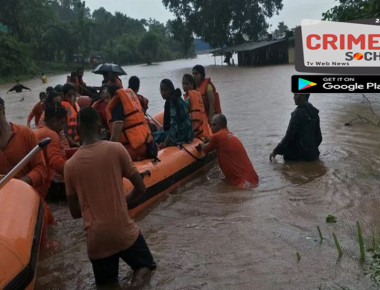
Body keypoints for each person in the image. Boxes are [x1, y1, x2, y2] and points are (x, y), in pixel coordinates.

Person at [64, 107, 156, 288]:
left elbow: (75, 212)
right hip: (123, 230)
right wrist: (123, 202)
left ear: (77, 132)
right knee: (146, 266)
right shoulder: (117, 149)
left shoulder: (70, 166)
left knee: (107, 284)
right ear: (100, 127)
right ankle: (136, 285)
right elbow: (141, 188)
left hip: (97, 239)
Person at [0, 97, 54, 245]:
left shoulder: (26, 134)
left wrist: (19, 184)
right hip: (5, 208)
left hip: (30, 202)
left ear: (1, 111)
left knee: (46, 249)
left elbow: (42, 170)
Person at [196, 114, 259, 189]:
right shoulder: (230, 135)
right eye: (211, 125)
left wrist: (200, 145)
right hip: (253, 179)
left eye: (214, 125)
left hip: (242, 183)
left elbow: (205, 150)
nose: (211, 128)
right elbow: (219, 140)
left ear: (221, 125)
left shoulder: (217, 137)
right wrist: (210, 139)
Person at [269, 93, 322, 162]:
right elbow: (319, 138)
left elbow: (289, 136)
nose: (293, 97)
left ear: (303, 95)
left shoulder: (297, 113)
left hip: (298, 158)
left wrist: (275, 151)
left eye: (295, 95)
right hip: (313, 156)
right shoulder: (314, 112)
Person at [106, 87, 154, 161]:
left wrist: (104, 153)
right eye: (104, 99)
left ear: (113, 97)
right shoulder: (126, 105)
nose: (105, 101)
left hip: (132, 152)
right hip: (145, 146)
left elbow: (114, 139)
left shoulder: (117, 109)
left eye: (107, 98)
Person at [35, 103, 67, 197]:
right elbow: (56, 162)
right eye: (62, 123)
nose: (62, 127)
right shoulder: (51, 134)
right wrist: (75, 171)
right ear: (53, 121)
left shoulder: (40, 131)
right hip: (43, 186)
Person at [153, 79, 194, 148]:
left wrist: (165, 143)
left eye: (165, 90)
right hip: (188, 134)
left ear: (171, 89)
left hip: (180, 136)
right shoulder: (178, 98)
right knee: (157, 133)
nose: (163, 93)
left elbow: (173, 126)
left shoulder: (172, 103)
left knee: (152, 138)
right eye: (161, 90)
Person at [182, 74, 212, 138]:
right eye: (183, 84)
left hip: (198, 130)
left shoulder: (190, 97)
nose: (184, 86)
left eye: (187, 84)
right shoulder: (197, 94)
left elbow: (182, 111)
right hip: (202, 128)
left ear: (192, 84)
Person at [61, 83, 80, 147]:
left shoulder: (76, 106)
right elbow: (63, 131)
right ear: (64, 96)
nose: (72, 98)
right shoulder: (63, 109)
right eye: (69, 95)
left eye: (74, 95)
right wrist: (74, 143)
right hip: (70, 142)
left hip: (77, 139)